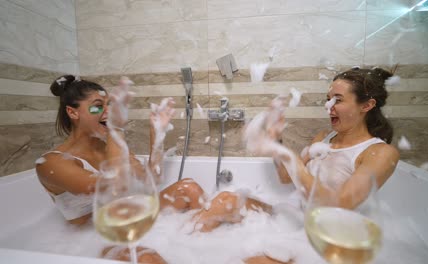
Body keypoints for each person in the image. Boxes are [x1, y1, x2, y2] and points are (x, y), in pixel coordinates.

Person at [36, 75, 279, 264]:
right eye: (98, 106)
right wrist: (115, 128)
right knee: (146, 257)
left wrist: (157, 137)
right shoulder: (52, 164)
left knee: (191, 188)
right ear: (72, 112)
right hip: (98, 235)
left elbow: (149, 179)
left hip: (134, 216)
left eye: (110, 105)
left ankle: (266, 230)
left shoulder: (108, 147)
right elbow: (110, 187)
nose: (108, 111)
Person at [252, 67, 400, 210]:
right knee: (229, 201)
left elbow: (341, 204)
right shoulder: (323, 139)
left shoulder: (381, 153)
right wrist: (276, 140)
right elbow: (286, 177)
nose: (328, 106)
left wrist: (291, 158)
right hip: (303, 220)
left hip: (336, 231)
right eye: (328, 99)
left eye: (338, 100)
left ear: (367, 105)